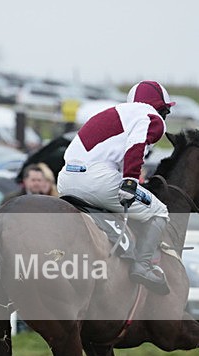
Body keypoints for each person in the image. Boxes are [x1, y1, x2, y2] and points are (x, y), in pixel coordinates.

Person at [56, 80, 175, 294]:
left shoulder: (113, 113)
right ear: (161, 108)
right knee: (160, 211)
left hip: (65, 179)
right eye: (166, 111)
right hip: (96, 181)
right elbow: (136, 146)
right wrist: (130, 180)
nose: (165, 117)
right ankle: (143, 265)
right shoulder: (151, 117)